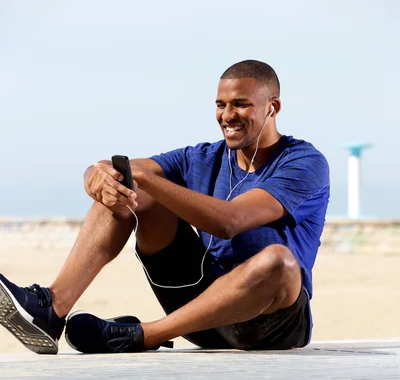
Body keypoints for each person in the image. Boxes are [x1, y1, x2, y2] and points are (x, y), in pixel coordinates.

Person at [0, 59, 330, 355]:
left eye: (241, 105)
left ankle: (143, 335)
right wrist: (96, 175)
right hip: (199, 309)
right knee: (120, 189)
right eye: (221, 105)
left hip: (268, 323)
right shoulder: (201, 157)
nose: (227, 115)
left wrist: (146, 178)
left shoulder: (303, 163)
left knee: (279, 262)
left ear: (272, 107)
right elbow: (119, 171)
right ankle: (52, 308)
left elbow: (231, 221)